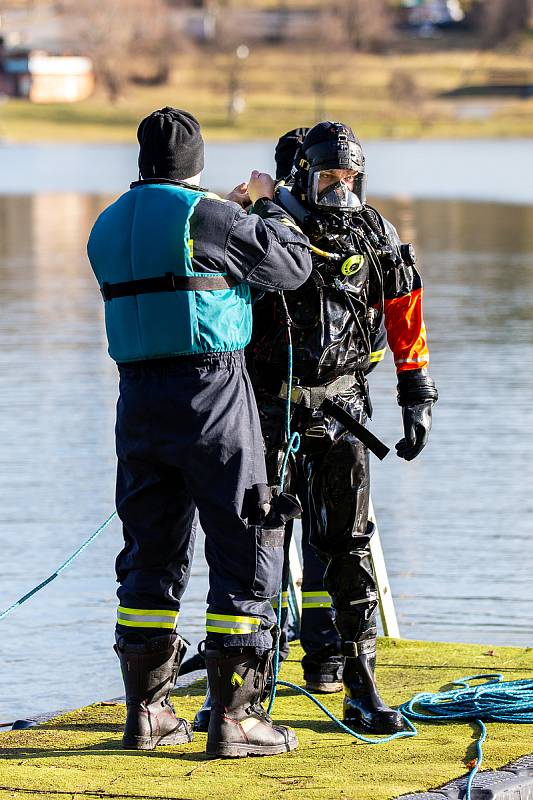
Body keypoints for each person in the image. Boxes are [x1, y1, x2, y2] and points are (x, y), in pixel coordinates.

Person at [87, 107, 313, 758]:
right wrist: (266, 207)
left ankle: (147, 715)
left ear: (142, 159)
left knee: (150, 554)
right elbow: (289, 267)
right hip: (210, 391)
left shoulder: (106, 224)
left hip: (136, 399)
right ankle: (236, 721)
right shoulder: (209, 216)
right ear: (195, 163)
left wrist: (225, 213)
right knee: (245, 539)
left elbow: (179, 258)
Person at [247, 121, 438, 735]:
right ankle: (243, 690)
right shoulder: (268, 226)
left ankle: (359, 682)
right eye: (330, 178)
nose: (341, 189)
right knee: (256, 540)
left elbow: (404, 305)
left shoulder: (375, 231)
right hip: (271, 407)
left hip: (343, 409)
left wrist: (417, 391)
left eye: (351, 178)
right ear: (304, 174)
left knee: (348, 543)